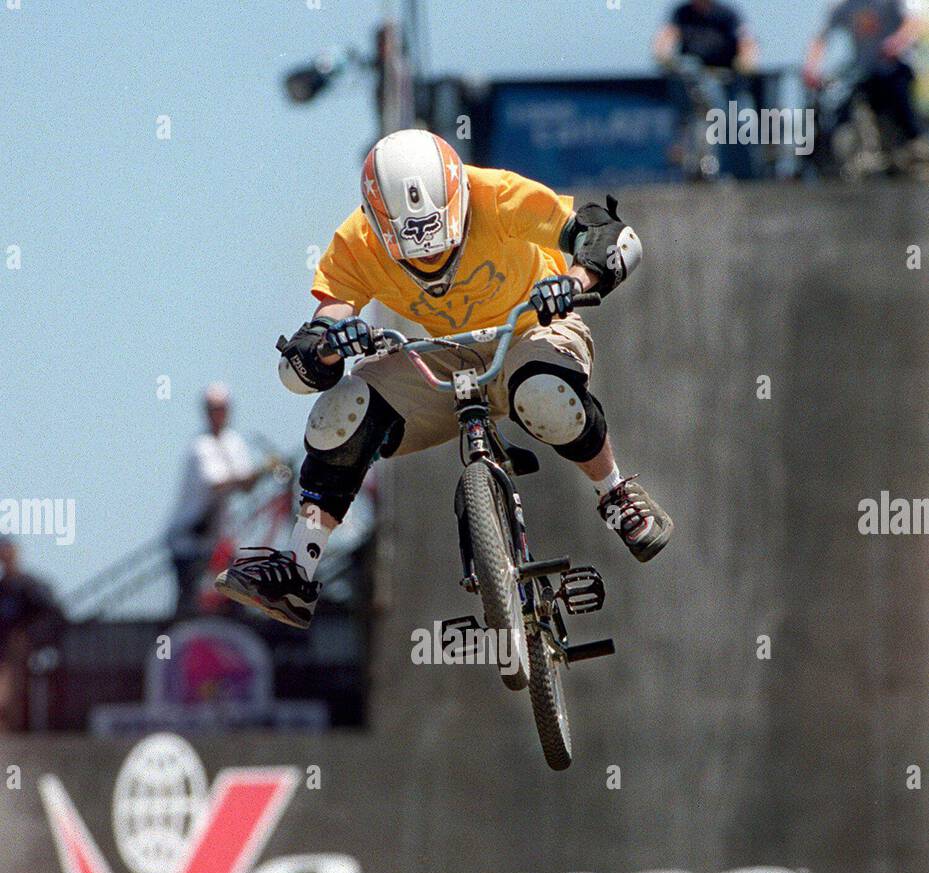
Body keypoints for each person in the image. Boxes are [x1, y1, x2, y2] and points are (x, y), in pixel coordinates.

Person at [216, 129, 672, 631]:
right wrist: (328, 345)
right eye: (412, 251)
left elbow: (609, 238)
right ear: (378, 223)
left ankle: (614, 492)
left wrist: (574, 281)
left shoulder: (496, 194)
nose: (431, 262)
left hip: (530, 330)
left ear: (457, 197)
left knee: (546, 398)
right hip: (443, 355)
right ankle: (300, 571)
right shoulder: (357, 242)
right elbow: (313, 345)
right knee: (337, 416)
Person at [166, 383, 266, 618]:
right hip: (189, 540)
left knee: (233, 600)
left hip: (217, 541)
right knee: (189, 604)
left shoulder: (234, 442)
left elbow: (246, 485)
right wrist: (257, 473)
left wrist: (263, 472)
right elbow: (219, 482)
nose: (218, 413)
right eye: (213, 408)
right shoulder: (200, 446)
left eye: (222, 408)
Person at [804, 1, 929, 157]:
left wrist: (896, 43)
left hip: (896, 68)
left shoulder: (894, 3)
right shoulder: (843, 6)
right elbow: (821, 38)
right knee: (841, 109)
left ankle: (915, 141)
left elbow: (914, 22)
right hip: (864, 73)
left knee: (901, 102)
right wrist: (811, 68)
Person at [654, 2, 760, 177]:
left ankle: (746, 175)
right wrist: (663, 55)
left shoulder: (727, 14)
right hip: (694, 82)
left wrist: (746, 63)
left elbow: (747, 43)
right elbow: (665, 39)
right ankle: (697, 163)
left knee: (743, 121)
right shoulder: (681, 13)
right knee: (689, 67)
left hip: (727, 80)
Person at [0, 540, 63, 731]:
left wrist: (28, 636)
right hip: (3, 648)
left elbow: (52, 614)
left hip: (17, 650)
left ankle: (10, 731)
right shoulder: (2, 588)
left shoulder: (29, 586)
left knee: (10, 691)